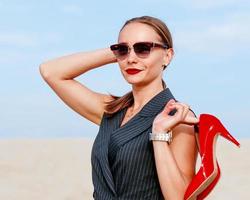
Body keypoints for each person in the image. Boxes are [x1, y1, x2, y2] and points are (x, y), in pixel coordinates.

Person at [39, 15, 199, 200]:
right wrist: (116, 53)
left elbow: (181, 198)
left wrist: (159, 134)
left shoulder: (178, 118)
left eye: (143, 48)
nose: (131, 58)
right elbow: (50, 71)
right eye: (122, 49)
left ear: (167, 55)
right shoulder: (111, 110)